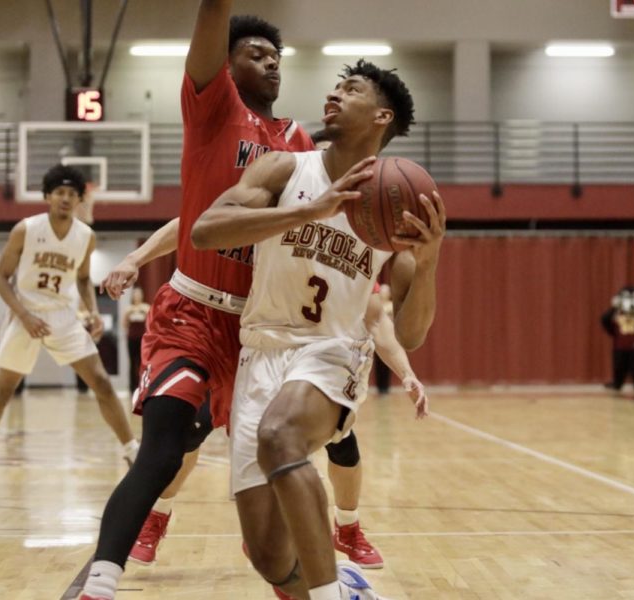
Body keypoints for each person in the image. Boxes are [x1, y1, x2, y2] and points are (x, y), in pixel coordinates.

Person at [78, 5, 317, 599]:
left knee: (274, 481)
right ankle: (99, 586)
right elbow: (193, 220)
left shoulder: (298, 145)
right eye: (255, 54)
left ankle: (303, 578)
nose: (269, 64)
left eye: (275, 58)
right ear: (225, 67)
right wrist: (136, 260)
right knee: (160, 454)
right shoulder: (214, 110)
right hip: (191, 312)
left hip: (259, 332)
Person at [190, 59, 442, 600]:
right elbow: (205, 231)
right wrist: (309, 212)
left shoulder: (396, 212)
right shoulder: (284, 170)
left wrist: (431, 259)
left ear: (382, 115)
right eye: (335, 86)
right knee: (270, 557)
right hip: (261, 350)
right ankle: (343, 587)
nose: (334, 94)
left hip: (332, 350)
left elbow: (415, 333)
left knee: (281, 437)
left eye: (350, 89)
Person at [0, 164, 139, 487]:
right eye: (59, 192)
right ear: (47, 196)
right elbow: (0, 278)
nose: (65, 198)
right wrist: (24, 316)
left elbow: (84, 279)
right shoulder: (26, 229)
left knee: (100, 380)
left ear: (78, 200)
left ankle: (132, 452)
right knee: (4, 391)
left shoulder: (85, 236)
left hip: (62, 315)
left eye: (72, 194)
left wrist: (93, 312)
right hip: (25, 312)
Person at [601, 285, 634, 392]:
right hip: (619, 344)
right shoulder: (617, 312)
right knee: (619, 365)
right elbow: (604, 319)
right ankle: (617, 383)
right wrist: (615, 307)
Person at [123, 287, 150, 394]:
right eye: (135, 294)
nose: (137, 296)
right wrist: (131, 312)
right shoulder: (128, 309)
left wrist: (141, 311)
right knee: (132, 362)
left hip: (142, 339)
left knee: (141, 362)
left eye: (139, 294)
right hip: (131, 338)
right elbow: (124, 324)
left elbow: (150, 320)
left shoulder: (146, 307)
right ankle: (131, 387)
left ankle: (142, 385)